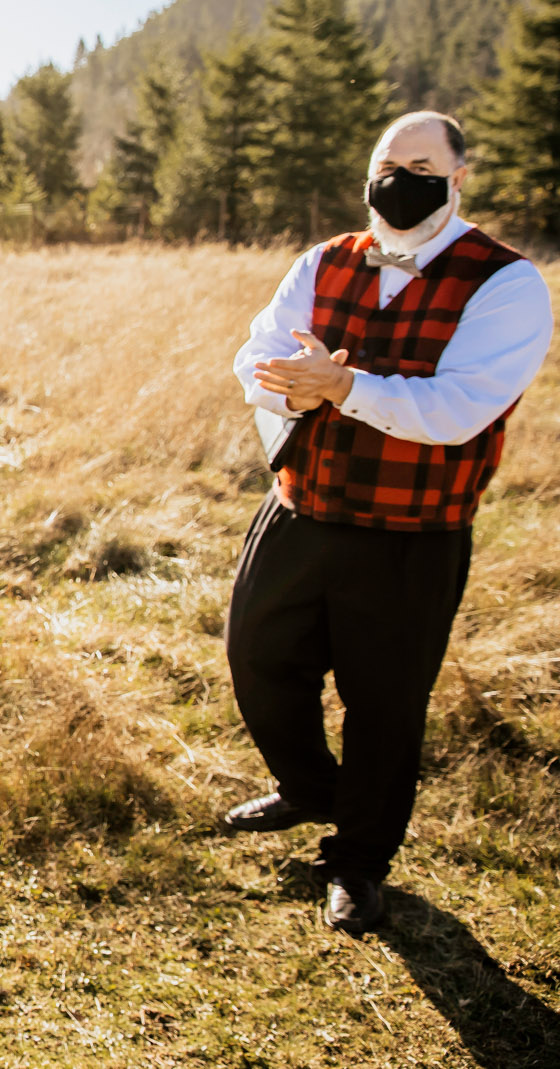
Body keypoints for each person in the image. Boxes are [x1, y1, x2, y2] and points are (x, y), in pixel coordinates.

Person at [225, 111, 553, 935]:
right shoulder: (324, 261)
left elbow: (458, 409)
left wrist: (342, 388)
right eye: (385, 163)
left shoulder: (506, 283)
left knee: (385, 702)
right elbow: (254, 355)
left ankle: (360, 861)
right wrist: (289, 388)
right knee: (259, 656)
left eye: (418, 163)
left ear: (457, 175)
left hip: (415, 533)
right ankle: (309, 788)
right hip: (303, 506)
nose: (397, 179)